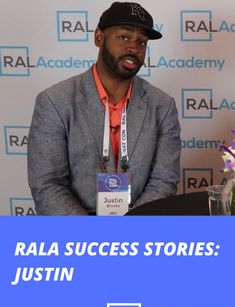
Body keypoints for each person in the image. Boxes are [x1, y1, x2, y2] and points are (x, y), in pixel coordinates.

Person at [28, 2, 181, 215]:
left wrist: (128, 231)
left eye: (141, 42)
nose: (133, 48)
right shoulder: (54, 101)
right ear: (99, 38)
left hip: (138, 227)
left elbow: (164, 181)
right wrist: (96, 237)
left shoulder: (162, 106)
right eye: (124, 37)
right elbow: (47, 184)